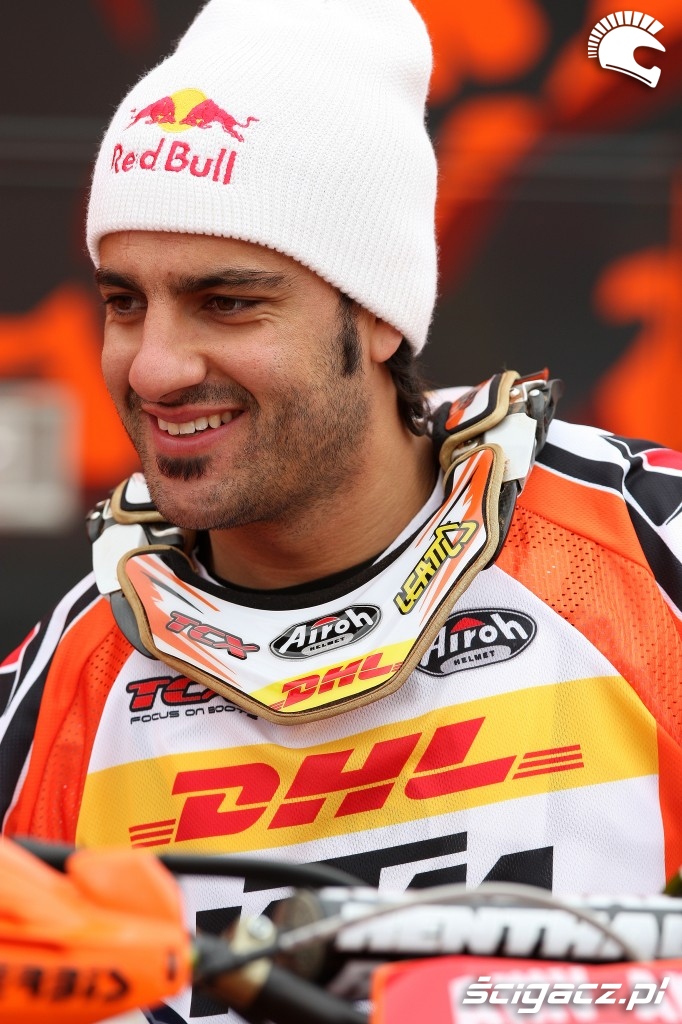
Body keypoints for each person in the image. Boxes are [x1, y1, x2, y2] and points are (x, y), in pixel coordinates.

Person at [2, 0, 682, 1020]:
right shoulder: (59, 690)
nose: (154, 368)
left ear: (376, 315)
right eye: (124, 302)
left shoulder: (645, 544)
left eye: (228, 302)